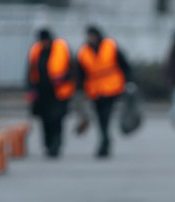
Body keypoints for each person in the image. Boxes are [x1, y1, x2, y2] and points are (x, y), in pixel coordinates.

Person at [76, 25, 132, 159]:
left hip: (112, 88)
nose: (91, 38)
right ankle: (105, 139)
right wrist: (80, 89)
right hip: (94, 90)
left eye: (93, 35)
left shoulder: (110, 46)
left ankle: (104, 141)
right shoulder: (84, 51)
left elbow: (124, 65)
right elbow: (80, 72)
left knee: (105, 115)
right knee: (100, 117)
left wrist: (129, 82)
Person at [26, 28, 75, 158]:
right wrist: (31, 89)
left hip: (59, 92)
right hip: (42, 92)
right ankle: (48, 144)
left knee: (57, 118)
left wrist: (63, 78)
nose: (44, 43)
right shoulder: (35, 50)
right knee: (44, 120)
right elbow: (30, 71)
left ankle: (56, 144)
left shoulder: (62, 48)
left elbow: (73, 69)